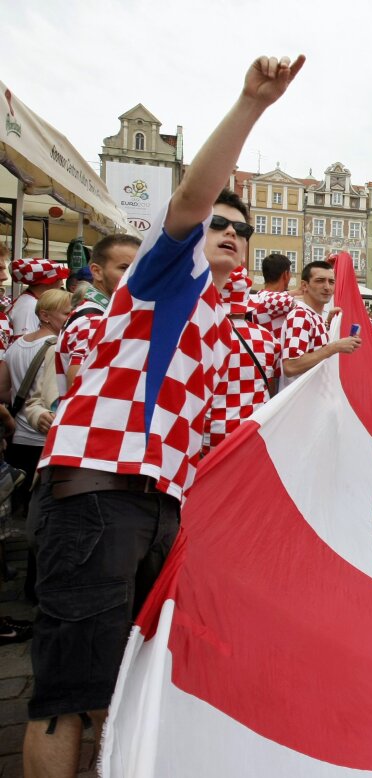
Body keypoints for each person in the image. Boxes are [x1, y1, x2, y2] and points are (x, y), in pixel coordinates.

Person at [24, 54, 306, 777]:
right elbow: (189, 197)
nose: (231, 233)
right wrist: (252, 104)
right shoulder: (160, 278)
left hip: (158, 508)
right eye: (218, 223)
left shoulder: (218, 318)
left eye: (241, 230)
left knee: (126, 687)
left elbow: (225, 428)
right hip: (96, 488)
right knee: (65, 693)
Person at [0, 290, 71, 522]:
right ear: (45, 316)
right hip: (43, 438)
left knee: (20, 512)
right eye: (66, 313)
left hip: (18, 439)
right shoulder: (56, 346)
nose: (71, 318)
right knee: (44, 514)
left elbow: (3, 389)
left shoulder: (16, 345)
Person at [204, 266, 279, 453]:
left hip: (210, 434)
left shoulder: (202, 334)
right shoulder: (267, 338)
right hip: (251, 432)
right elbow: (271, 384)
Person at [55, 234, 138, 390]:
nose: (133, 275)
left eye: (139, 267)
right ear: (97, 271)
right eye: (124, 268)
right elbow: (81, 390)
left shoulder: (97, 314)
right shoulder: (93, 322)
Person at [278, 260, 360, 392]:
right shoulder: (300, 315)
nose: (327, 287)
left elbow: (312, 345)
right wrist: (335, 347)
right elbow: (291, 366)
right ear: (304, 285)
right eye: (320, 280)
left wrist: (327, 323)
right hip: (302, 403)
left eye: (331, 282)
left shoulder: (313, 315)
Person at [9, 259, 68, 337]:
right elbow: (26, 345)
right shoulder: (29, 306)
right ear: (47, 282)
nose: (62, 283)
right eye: (59, 279)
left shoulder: (29, 302)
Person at [252, 252, 297, 340]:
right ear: (285, 274)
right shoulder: (270, 298)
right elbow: (303, 305)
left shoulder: (261, 296)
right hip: (277, 351)